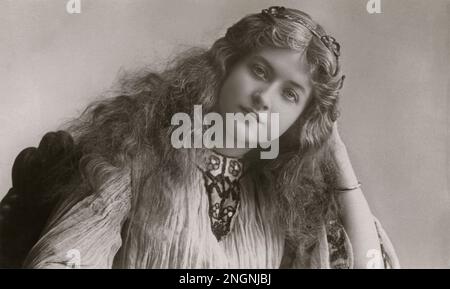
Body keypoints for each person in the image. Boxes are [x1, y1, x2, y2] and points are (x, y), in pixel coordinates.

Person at [1, 6, 399, 268]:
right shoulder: (136, 153)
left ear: (299, 119)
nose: (264, 97)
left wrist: (338, 156)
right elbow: (58, 261)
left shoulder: (284, 202)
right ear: (226, 67)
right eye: (259, 71)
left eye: (290, 94)